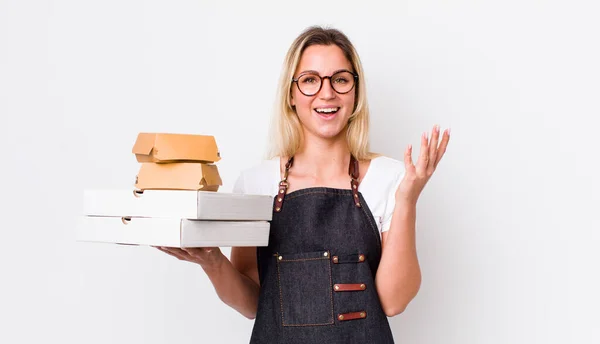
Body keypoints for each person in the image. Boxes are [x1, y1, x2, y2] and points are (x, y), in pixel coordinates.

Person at [157, 25, 450, 343]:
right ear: (291, 95)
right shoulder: (256, 183)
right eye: (310, 80)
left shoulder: (389, 178)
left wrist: (407, 199)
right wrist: (211, 259)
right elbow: (251, 303)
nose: (327, 93)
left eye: (340, 79)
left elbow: (395, 301)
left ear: (355, 92)